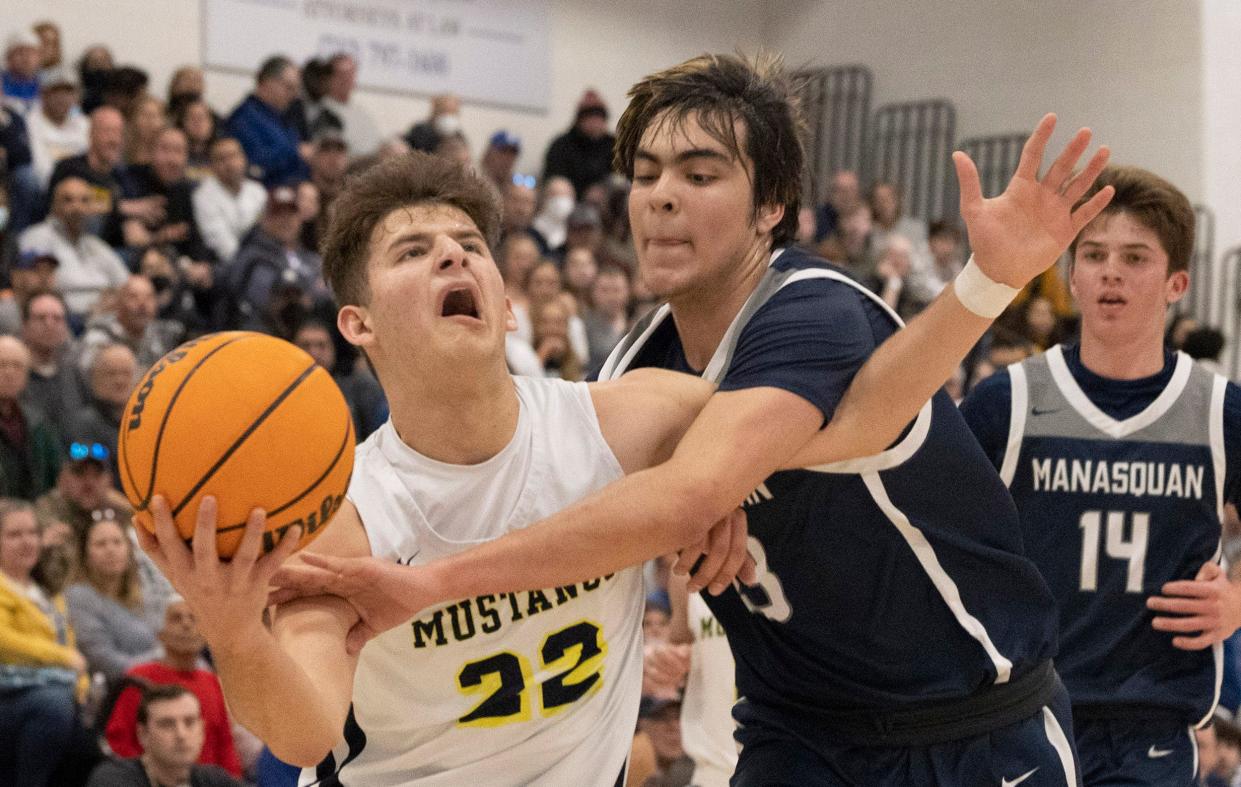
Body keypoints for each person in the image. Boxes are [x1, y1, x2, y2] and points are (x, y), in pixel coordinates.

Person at [271, 54, 1115, 786]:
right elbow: (684, 500)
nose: (661, 198)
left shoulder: (813, 310)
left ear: (770, 207)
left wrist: (428, 584)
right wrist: (711, 512)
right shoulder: (632, 367)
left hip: (964, 725)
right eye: (646, 175)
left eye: (699, 175)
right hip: (798, 729)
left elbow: (689, 489)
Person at [139, 148, 994, 785]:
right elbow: (301, 729)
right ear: (357, 325)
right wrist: (232, 628)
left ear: (507, 304)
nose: (452, 256)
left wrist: (991, 278)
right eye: (412, 251)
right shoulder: (348, 507)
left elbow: (861, 417)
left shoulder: (627, 421)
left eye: (470, 243)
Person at [960, 165, 1241, 787]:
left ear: (1177, 283)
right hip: (1021, 714)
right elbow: (926, 531)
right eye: (1094, 254)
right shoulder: (1006, 401)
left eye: (1135, 257)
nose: (1111, 270)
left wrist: (1238, 596)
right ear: (1072, 275)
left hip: (1152, 727)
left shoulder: (1219, 409)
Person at [0, 498, 89, 787]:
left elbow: (71, 645)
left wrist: (81, 684)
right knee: (52, 708)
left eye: (33, 533)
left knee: (83, 733)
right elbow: (5, 641)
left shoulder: (48, 593)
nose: (27, 542)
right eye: (15, 535)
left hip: (54, 692)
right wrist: (61, 658)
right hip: (10, 693)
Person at [105, 597, 243, 777]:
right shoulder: (138, 678)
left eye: (193, 618)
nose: (186, 625)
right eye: (176, 618)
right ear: (160, 633)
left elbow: (225, 747)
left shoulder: (212, 681)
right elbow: (120, 745)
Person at [65, 510, 163, 686]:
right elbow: (104, 662)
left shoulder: (142, 591)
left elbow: (165, 638)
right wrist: (164, 664)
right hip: (115, 688)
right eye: (100, 544)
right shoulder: (79, 597)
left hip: (159, 681)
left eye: (117, 542)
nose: (111, 550)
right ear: (85, 554)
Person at [87, 684, 245, 787]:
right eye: (167, 724)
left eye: (189, 722)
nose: (181, 734)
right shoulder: (113, 779)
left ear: (202, 730)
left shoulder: (213, 779)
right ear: (143, 734)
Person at [20, 175, 129, 321]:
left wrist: (113, 300)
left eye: (84, 201)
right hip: (62, 317)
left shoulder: (96, 245)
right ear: (54, 205)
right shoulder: (35, 238)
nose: (77, 207)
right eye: (68, 200)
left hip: (105, 316)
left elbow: (126, 284)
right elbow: (35, 288)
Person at [292, 320, 387, 442]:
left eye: (321, 345)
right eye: (306, 345)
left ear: (333, 350)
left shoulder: (359, 389)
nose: (314, 352)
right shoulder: (281, 392)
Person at [225, 56, 308, 187]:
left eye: (297, 89)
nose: (294, 95)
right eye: (289, 87)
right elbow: (253, 165)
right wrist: (295, 152)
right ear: (268, 82)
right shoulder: (242, 120)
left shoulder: (284, 118)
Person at [0, 335, 60, 500]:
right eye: (2, 365)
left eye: (17, 366)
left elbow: (56, 475)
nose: (9, 372)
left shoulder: (38, 423)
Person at [191, 136, 266, 262]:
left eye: (233, 156)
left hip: (266, 261)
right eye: (221, 159)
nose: (230, 164)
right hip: (228, 266)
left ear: (243, 158)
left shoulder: (258, 191)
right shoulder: (203, 197)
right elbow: (224, 246)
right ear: (212, 166)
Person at [543, 89, 616, 198]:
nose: (595, 122)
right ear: (579, 120)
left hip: (605, 200)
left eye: (599, 117)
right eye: (590, 117)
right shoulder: (562, 144)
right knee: (558, 187)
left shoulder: (614, 145)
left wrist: (602, 188)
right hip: (571, 199)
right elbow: (553, 177)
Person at [27, 67, 88, 189]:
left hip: (81, 188)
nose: (62, 98)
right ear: (43, 94)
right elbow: (39, 167)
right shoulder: (30, 121)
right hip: (45, 188)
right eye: (56, 91)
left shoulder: (84, 123)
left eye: (68, 92)